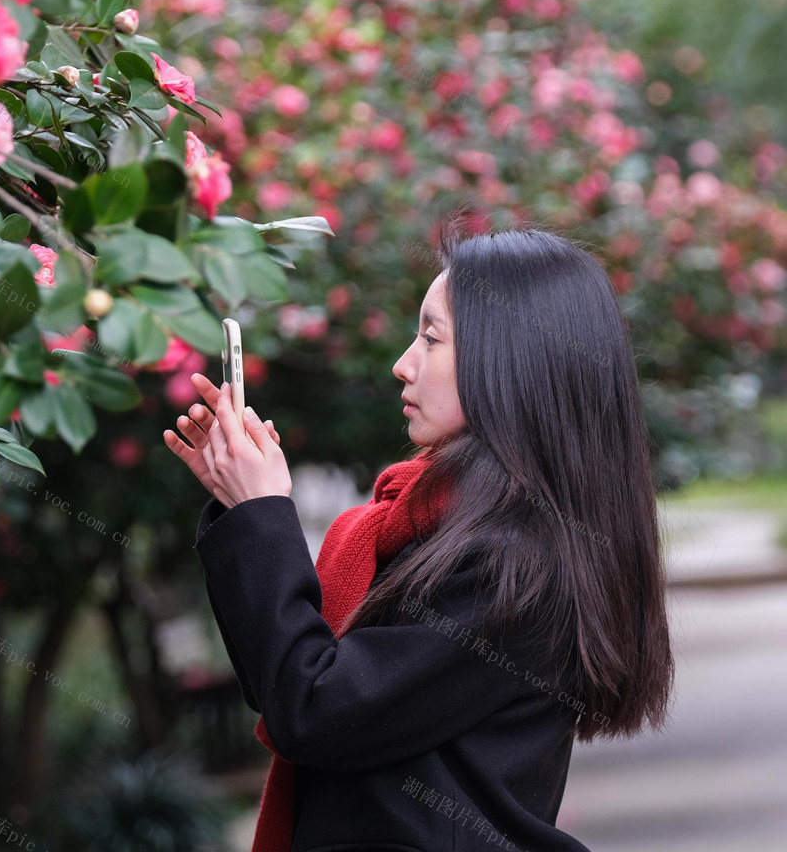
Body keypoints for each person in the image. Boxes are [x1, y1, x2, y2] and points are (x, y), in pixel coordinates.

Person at [163, 217, 675, 852]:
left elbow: (312, 710)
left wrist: (262, 513)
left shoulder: (512, 561)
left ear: (511, 363)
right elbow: (283, 681)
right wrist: (244, 509)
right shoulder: (436, 525)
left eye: (432, 339)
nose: (403, 365)